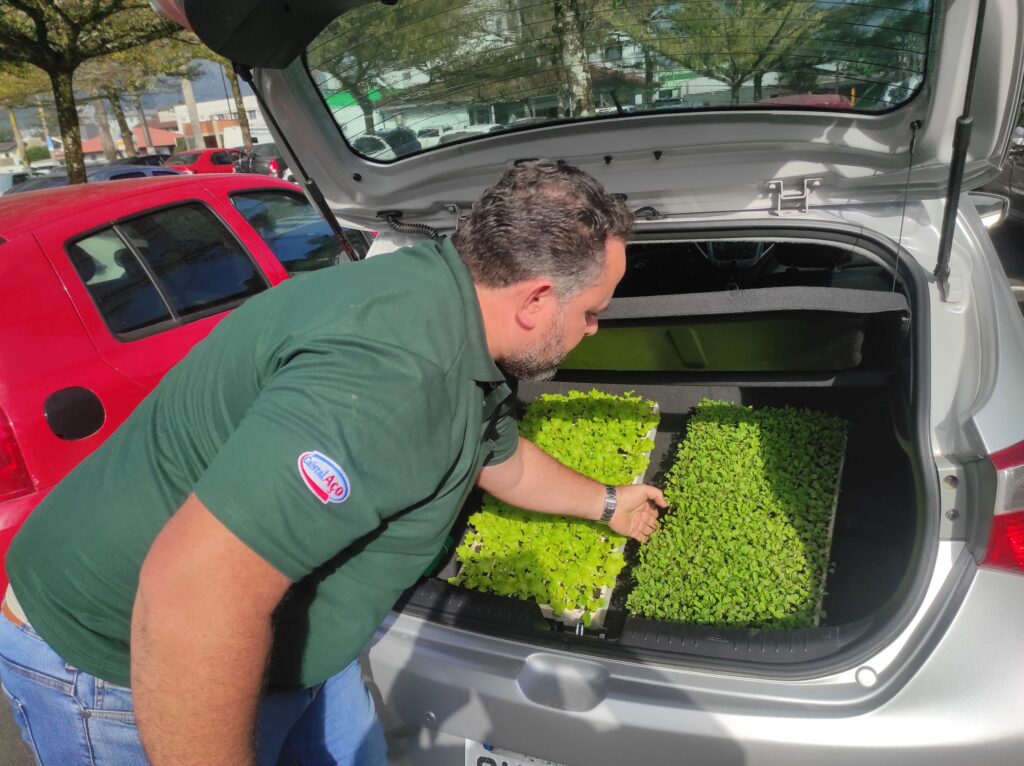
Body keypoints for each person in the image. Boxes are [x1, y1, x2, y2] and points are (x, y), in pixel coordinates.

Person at [0, 160, 664, 765]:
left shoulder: (447, 301)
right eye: (592, 312)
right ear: (536, 300)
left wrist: (609, 501)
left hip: (286, 647)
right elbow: (193, 600)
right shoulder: (392, 381)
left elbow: (501, 459)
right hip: (125, 666)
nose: (594, 329)